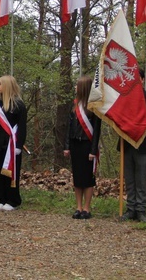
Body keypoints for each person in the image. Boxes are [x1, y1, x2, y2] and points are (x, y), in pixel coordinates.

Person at [120, 68, 146, 222]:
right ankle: (130, 209)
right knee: (129, 179)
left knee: (141, 179)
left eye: (138, 78)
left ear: (142, 80)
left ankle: (141, 210)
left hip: (143, 144)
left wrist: (132, 128)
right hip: (127, 144)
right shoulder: (123, 99)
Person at [0, 75, 27, 211]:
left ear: (7, 86)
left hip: (12, 144)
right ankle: (1, 198)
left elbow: (22, 127)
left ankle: (13, 200)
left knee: (11, 172)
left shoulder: (18, 104)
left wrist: (19, 145)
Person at [64, 75, 101, 219]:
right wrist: (67, 146)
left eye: (77, 85)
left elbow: (96, 131)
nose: (75, 88)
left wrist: (93, 151)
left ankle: (87, 208)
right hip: (75, 144)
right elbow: (69, 128)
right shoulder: (74, 106)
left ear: (83, 88)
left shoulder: (94, 107)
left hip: (87, 145)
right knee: (77, 177)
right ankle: (78, 207)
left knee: (88, 178)